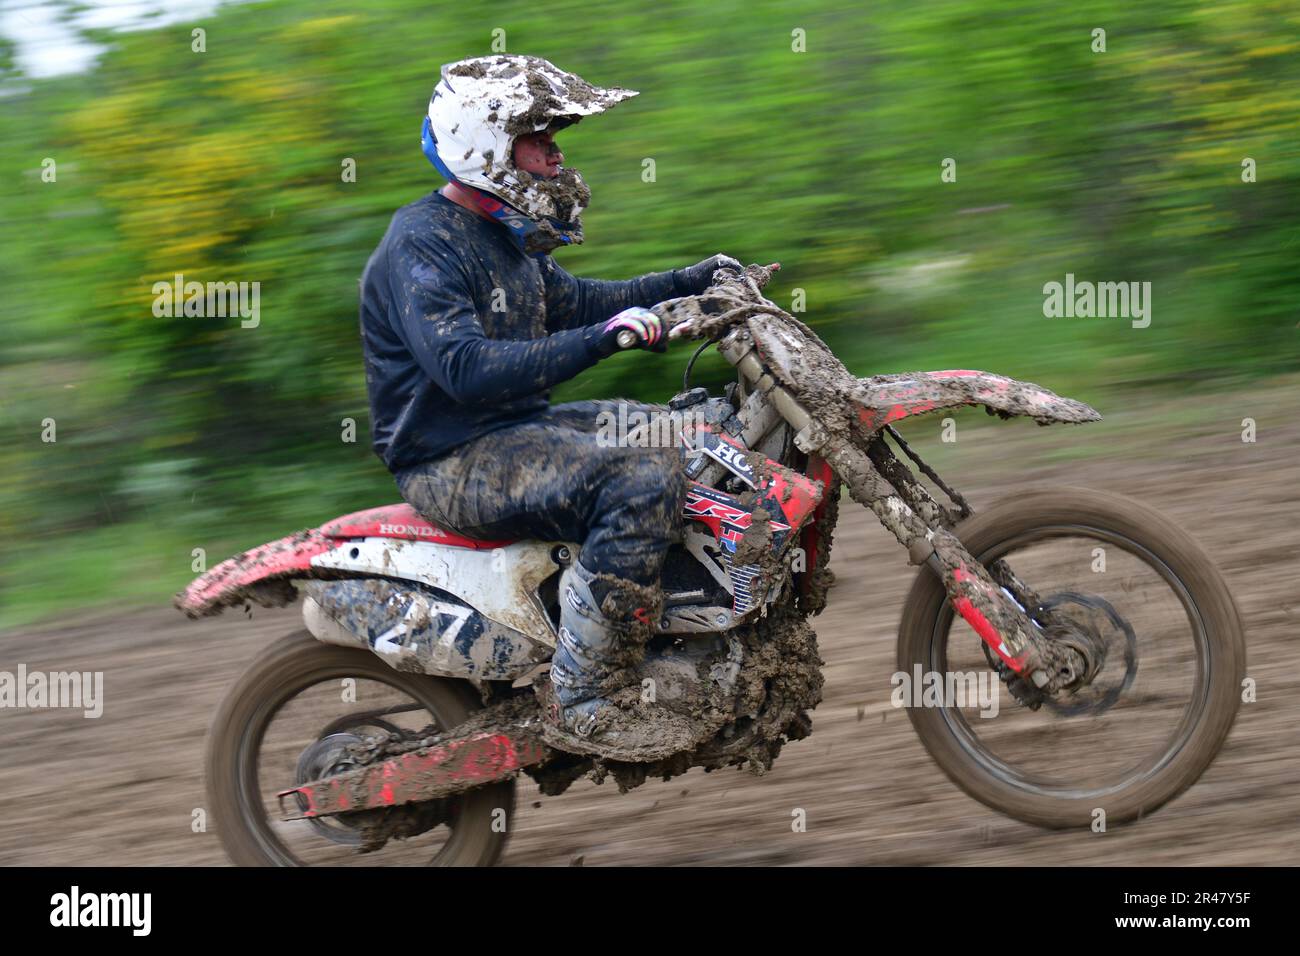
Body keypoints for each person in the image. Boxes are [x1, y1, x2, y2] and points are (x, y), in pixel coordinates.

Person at [358, 54, 745, 755]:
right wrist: (608, 340)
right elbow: (467, 370)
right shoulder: (423, 243)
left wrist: (694, 280)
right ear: (487, 147)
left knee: (692, 434)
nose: (556, 156)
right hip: (453, 458)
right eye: (539, 141)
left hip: (516, 430)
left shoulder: (506, 239)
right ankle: (587, 693)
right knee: (641, 477)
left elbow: (581, 303)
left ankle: (691, 629)